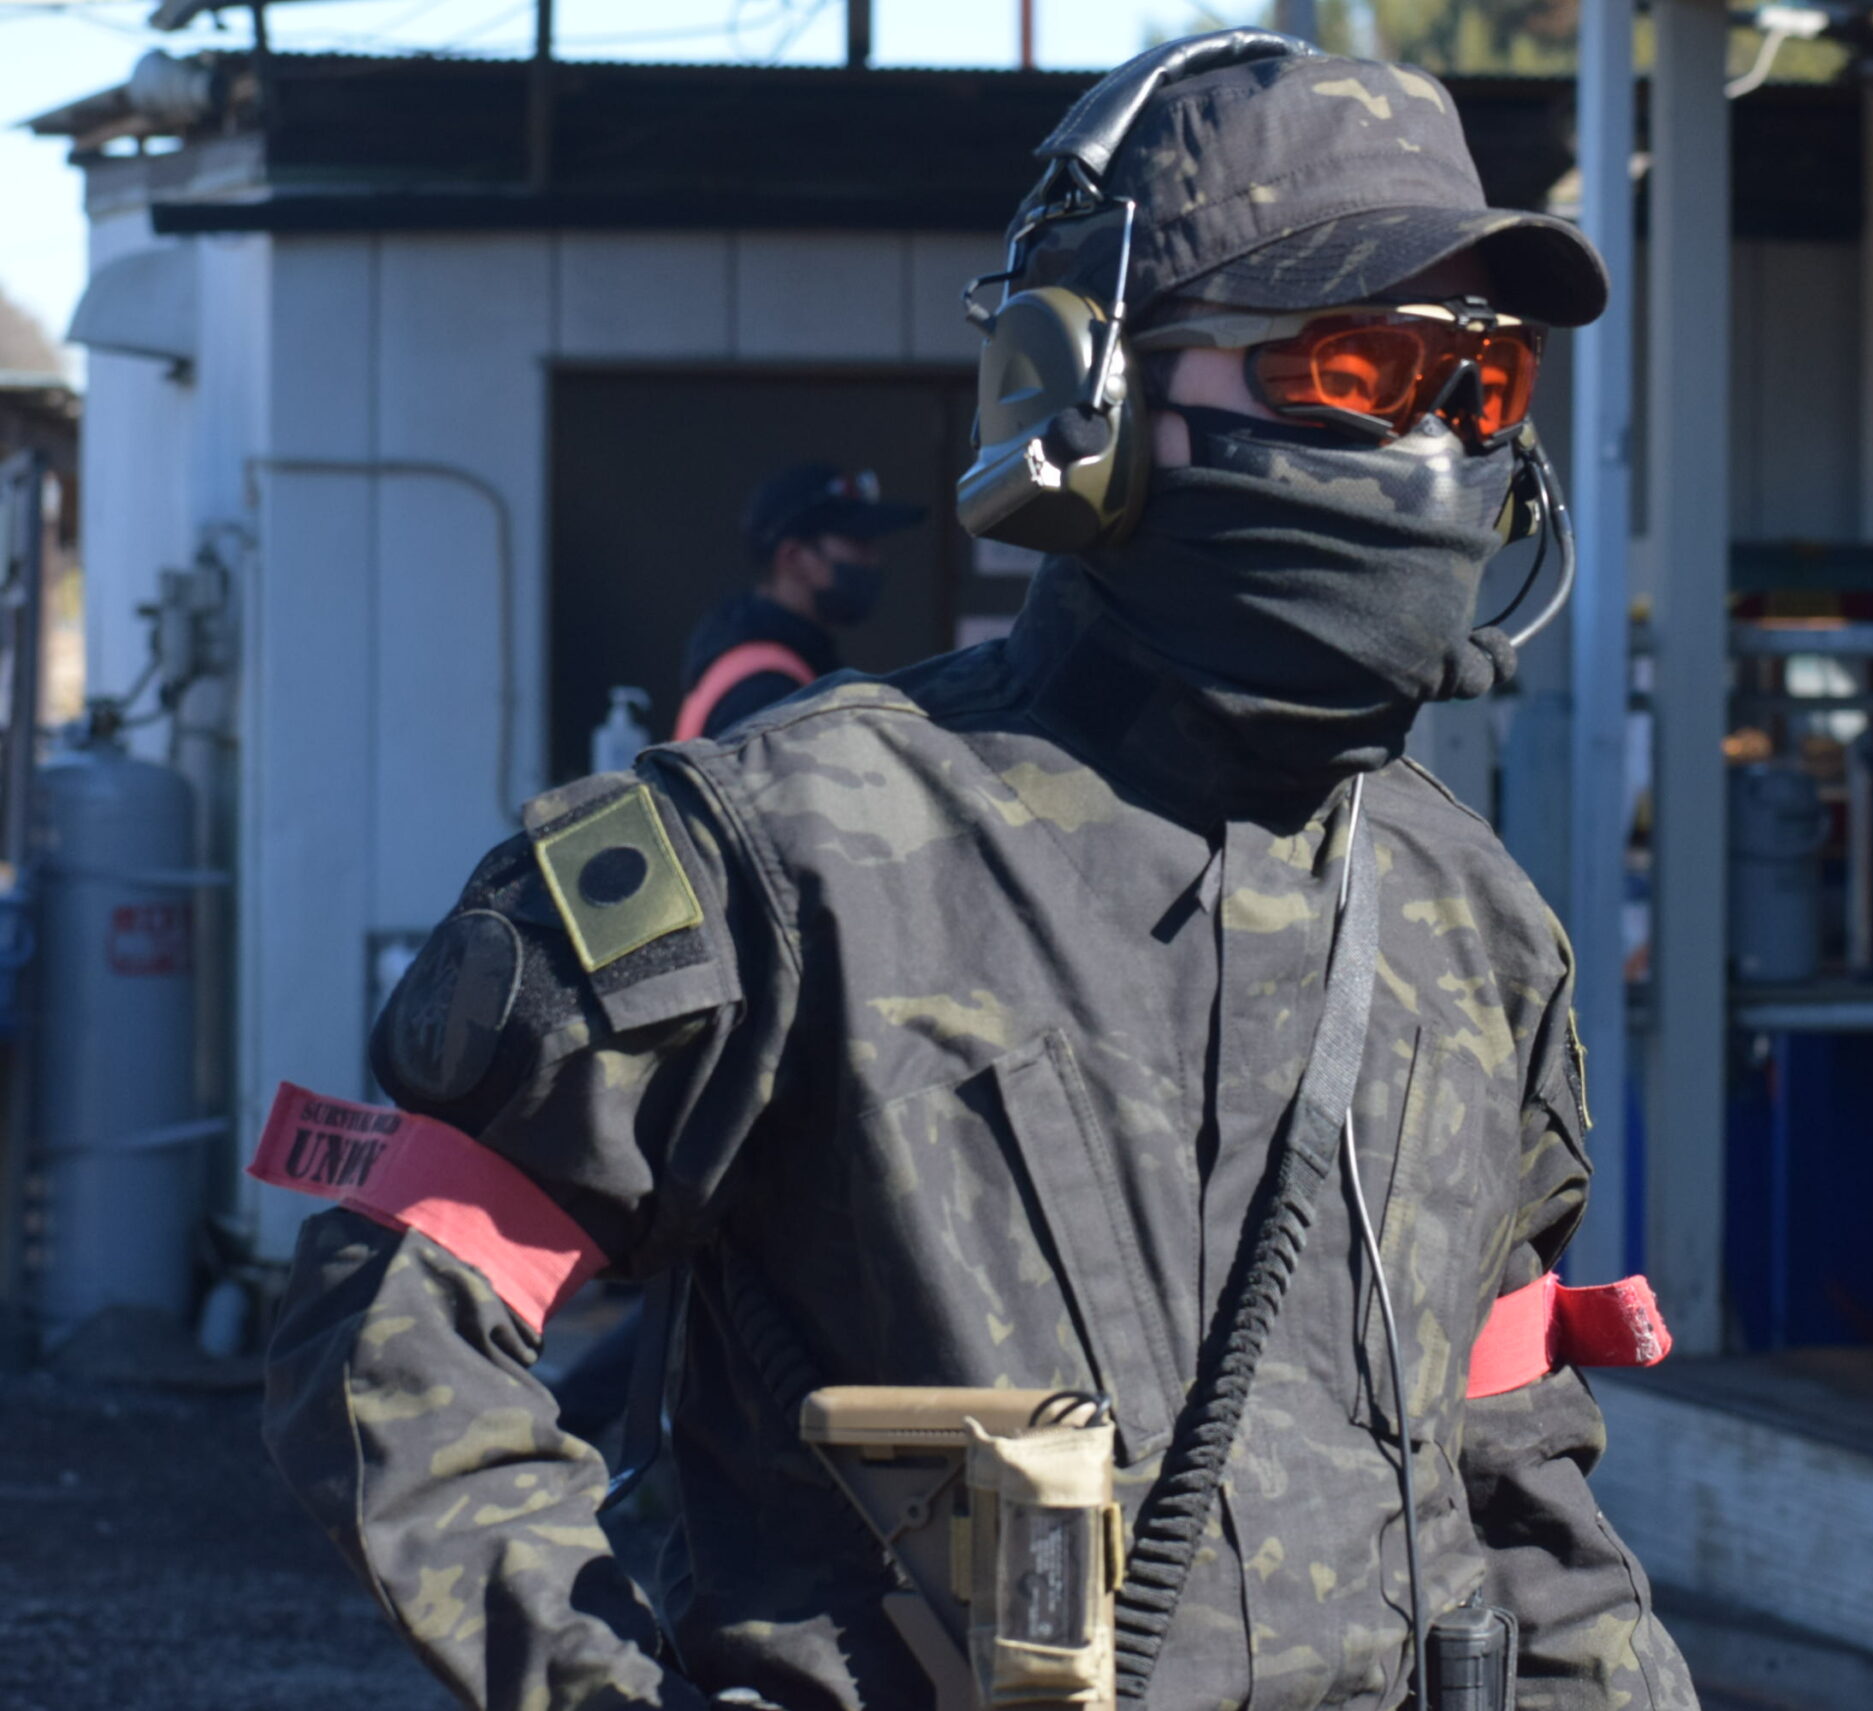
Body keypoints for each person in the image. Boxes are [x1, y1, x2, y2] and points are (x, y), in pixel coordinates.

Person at [261, 33, 1701, 1711]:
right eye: (1358, 367)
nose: (1437, 446)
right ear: (1084, 391)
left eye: (1483, 386)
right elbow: (397, 1317)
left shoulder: (1473, 922)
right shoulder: (780, 859)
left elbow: (1514, 1471)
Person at [672, 463, 926, 741]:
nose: (873, 559)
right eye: (858, 543)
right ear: (793, 558)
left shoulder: (775, 651)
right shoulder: (765, 689)